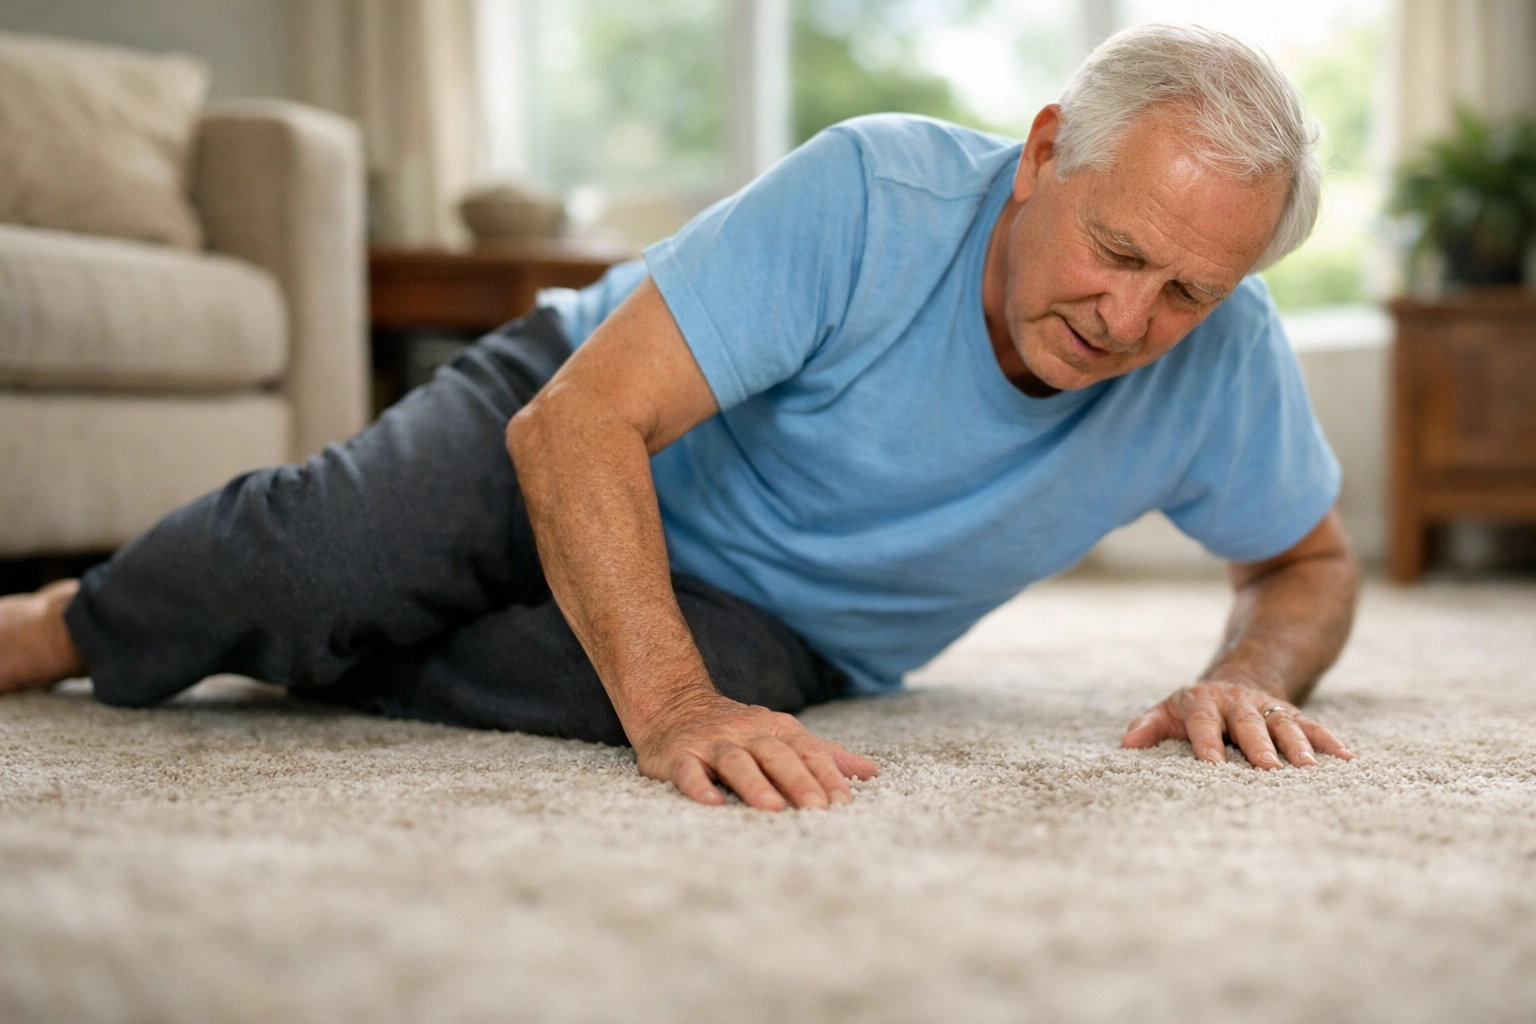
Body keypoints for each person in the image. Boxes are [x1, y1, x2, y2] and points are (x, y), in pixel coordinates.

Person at [0, 24, 1358, 811]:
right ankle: (72, 621)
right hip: (575, 407)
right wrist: (671, 707)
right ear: (1045, 151)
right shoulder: (875, 188)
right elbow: (576, 428)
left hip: (779, 620)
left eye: (1185, 289)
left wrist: (1250, 673)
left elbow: (1308, 561)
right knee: (321, 566)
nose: (1130, 319)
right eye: (1115, 253)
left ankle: (276, 618)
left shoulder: (1222, 352)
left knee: (629, 693)